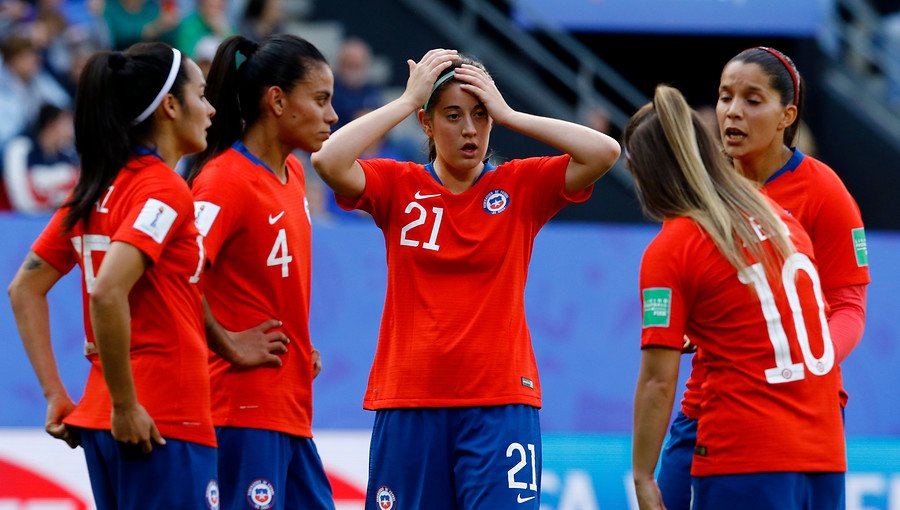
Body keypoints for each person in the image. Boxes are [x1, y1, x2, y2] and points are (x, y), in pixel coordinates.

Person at [311, 49, 620, 509]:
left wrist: (512, 115)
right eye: (452, 116)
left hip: (500, 405)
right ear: (427, 124)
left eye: (480, 115)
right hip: (410, 402)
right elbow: (328, 161)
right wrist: (404, 101)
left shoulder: (521, 186)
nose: (470, 129)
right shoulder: (398, 186)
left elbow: (605, 151)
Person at [654, 47, 870, 510]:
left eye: (752, 100)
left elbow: (849, 304)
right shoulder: (702, 192)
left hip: (800, 411)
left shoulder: (824, 191)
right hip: (711, 404)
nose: (732, 111)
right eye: (725, 97)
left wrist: (808, 357)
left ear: (786, 116)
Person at [7, 42, 220, 508]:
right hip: (160, 419)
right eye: (201, 95)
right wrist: (127, 405)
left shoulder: (97, 186)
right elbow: (107, 292)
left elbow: (25, 288)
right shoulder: (165, 189)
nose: (210, 108)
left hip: (107, 416)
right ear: (169, 106)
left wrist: (55, 395)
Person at [186, 33, 337, 510]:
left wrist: (297, 338)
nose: (332, 115)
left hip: (289, 410)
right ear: (276, 100)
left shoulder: (293, 176)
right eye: (320, 99)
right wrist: (228, 341)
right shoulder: (224, 180)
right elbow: (174, 273)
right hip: (241, 411)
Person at [2, 103, 79, 213]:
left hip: (59, 218)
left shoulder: (69, 152)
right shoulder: (20, 149)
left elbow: (77, 191)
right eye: (67, 123)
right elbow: (21, 197)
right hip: (26, 221)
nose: (71, 130)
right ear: (51, 124)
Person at [330, 37, 383, 131]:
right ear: (339, 64)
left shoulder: (371, 90)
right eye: (348, 65)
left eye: (357, 66)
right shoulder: (330, 89)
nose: (352, 72)